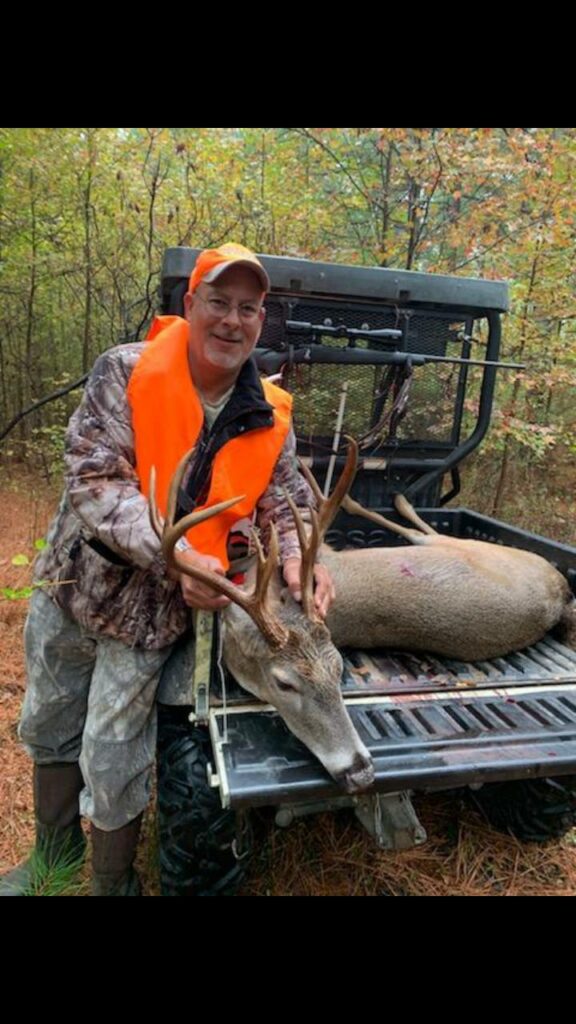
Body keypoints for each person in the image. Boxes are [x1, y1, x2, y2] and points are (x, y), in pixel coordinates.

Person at [0, 243, 335, 897]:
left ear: (260, 320)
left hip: (153, 616)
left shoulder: (270, 416)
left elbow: (287, 502)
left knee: (114, 744)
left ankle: (111, 880)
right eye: (218, 302)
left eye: (247, 308)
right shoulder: (123, 370)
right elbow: (95, 479)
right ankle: (54, 857)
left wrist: (300, 560)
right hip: (76, 585)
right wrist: (173, 552)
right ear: (190, 305)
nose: (231, 321)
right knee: (50, 719)